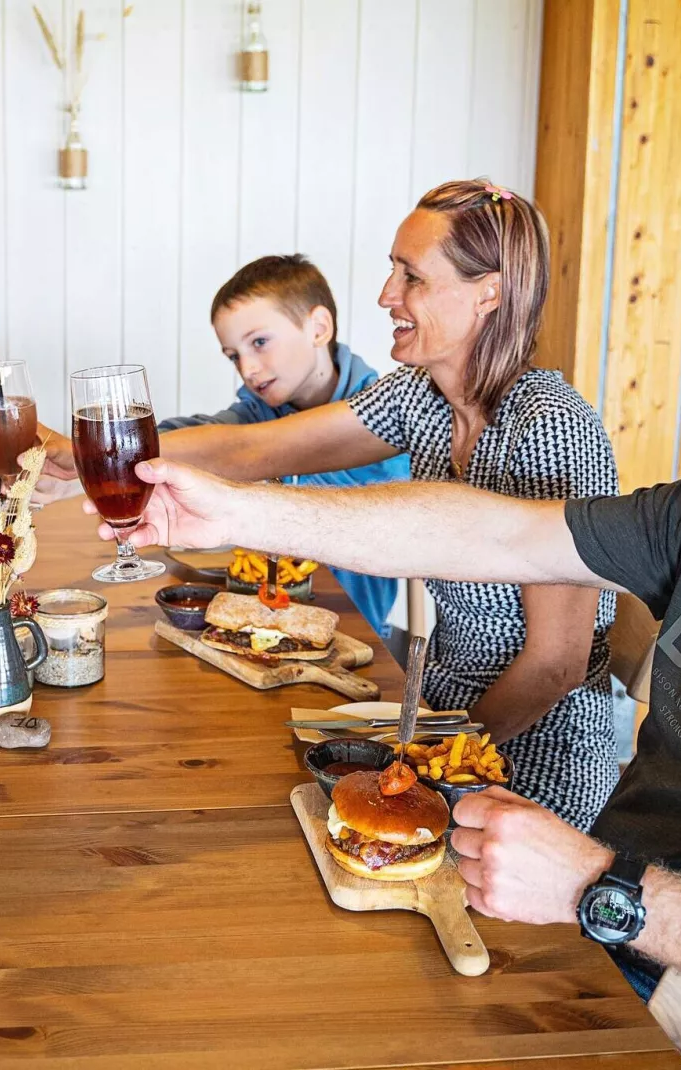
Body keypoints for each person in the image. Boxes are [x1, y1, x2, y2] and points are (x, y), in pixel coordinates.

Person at [96, 255, 681, 1029]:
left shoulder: (550, 421)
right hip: (603, 929)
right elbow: (489, 531)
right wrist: (235, 514)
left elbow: (557, 662)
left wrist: (604, 890)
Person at [76, 181, 620, 831]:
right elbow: (255, 450)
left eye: (410, 276)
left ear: (490, 293)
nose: (387, 295)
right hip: (438, 723)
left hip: (528, 769)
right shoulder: (424, 396)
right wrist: (88, 457)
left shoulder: (551, 428)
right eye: (393, 271)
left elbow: (556, 664)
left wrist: (426, 765)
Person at [35, 254, 407, 636]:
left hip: (354, 627)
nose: (247, 368)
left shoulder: (384, 415)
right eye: (234, 356)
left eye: (260, 342)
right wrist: (87, 466)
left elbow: (241, 450)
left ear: (318, 327)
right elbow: (206, 433)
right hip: (266, 620)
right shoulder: (261, 409)